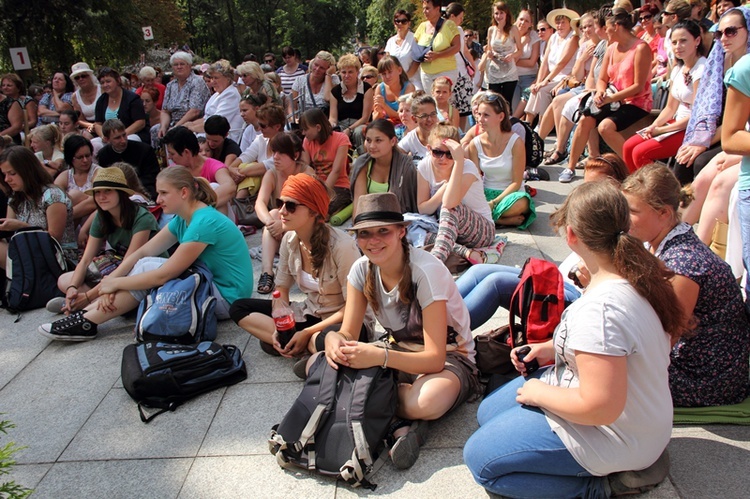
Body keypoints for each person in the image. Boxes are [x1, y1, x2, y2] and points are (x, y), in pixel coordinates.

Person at [463, 180, 687, 498]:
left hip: (618, 434)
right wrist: (550, 349)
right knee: (488, 415)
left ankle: (602, 486)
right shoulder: (635, 276)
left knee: (481, 462)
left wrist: (540, 391)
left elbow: (599, 407)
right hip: (635, 419)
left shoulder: (601, 308)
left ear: (571, 236)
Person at [324, 192, 480, 470]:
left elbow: (434, 357)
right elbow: (349, 330)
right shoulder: (361, 270)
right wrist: (333, 338)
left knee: (426, 402)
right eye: (364, 234)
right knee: (321, 362)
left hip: (451, 359)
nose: (373, 241)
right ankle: (401, 424)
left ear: (401, 232)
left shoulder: (425, 271)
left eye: (383, 231)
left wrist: (377, 358)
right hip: (398, 348)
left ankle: (386, 411)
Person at [39, 167, 254, 341]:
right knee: (145, 263)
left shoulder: (203, 221)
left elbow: (164, 274)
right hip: (212, 288)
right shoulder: (183, 218)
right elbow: (142, 251)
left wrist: (116, 284)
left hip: (228, 299)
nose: (158, 199)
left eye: (163, 193)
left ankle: (86, 320)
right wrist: (110, 282)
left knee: (149, 268)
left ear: (184, 192)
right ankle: (86, 316)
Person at [623, 164, 750, 406]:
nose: (624, 219)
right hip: (702, 362)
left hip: (708, 377)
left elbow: (666, 337)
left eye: (632, 211)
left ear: (664, 213)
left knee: (604, 368)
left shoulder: (684, 264)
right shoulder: (667, 242)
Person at [456, 153, 628, 330]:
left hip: (577, 299)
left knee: (496, 282)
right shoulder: (599, 212)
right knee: (479, 270)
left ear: (617, 186)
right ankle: (432, 314)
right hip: (562, 281)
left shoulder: (620, 224)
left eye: (595, 186)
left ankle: (443, 333)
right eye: (586, 184)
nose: (589, 191)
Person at [231, 173, 366, 373]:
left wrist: (307, 332)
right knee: (238, 307)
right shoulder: (289, 240)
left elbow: (354, 308)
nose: (282, 211)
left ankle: (305, 345)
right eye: (280, 203)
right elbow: (281, 288)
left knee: (328, 339)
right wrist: (281, 323)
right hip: (310, 312)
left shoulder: (342, 246)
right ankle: (300, 346)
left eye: (291, 206)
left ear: (313, 211)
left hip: (344, 322)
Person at [47, 167, 162, 314]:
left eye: (108, 191)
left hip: (141, 270)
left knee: (120, 283)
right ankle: (89, 302)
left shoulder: (142, 217)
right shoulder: (102, 217)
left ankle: (88, 305)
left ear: (121, 193)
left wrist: (90, 295)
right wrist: (72, 289)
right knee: (65, 280)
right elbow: (86, 259)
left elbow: (129, 263)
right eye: (97, 192)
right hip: (117, 266)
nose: (101, 197)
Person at [563, 8, 653, 183]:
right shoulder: (610, 48)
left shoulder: (641, 48)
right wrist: (601, 91)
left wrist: (612, 97)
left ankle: (634, 167)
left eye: (607, 28)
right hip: (612, 99)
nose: (603, 32)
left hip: (636, 102)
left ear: (617, 26)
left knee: (605, 126)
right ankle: (570, 167)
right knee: (585, 118)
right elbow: (602, 78)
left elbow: (638, 86)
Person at [674, 7, 750, 185]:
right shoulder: (718, 62)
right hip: (719, 129)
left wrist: (703, 142)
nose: (723, 38)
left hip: (739, 132)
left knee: (700, 162)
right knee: (682, 161)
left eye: (731, 31)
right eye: (719, 33)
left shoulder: (745, 68)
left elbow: (738, 121)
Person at [622, 20, 706, 172]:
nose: (677, 46)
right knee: (628, 147)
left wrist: (661, 130)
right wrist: (654, 126)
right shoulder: (678, 69)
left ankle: (658, 190)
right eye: (674, 42)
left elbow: (696, 115)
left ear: (697, 41)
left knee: (640, 153)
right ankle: (638, 190)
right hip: (675, 123)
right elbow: (670, 107)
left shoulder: (701, 68)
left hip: (692, 129)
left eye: (683, 41)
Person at [417, 123, 495, 265]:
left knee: (452, 208)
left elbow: (450, 203)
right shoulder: (424, 166)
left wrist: (459, 161)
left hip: (483, 231)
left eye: (450, 154)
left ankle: (436, 261)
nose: (443, 159)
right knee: (418, 233)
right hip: (450, 230)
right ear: (429, 149)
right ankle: (465, 252)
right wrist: (443, 189)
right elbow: (423, 208)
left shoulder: (467, 167)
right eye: (438, 152)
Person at [254, 133, 315, 294]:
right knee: (273, 213)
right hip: (280, 231)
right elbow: (260, 202)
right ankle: (267, 272)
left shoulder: (306, 174)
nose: (275, 157)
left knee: (278, 214)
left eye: (281, 153)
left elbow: (312, 212)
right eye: (274, 152)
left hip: (303, 229)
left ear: (294, 155)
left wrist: (283, 225)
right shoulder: (272, 174)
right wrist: (270, 222)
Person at [467, 92, 535, 228]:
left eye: (486, 115)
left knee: (522, 203)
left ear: (501, 117)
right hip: (485, 192)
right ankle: (499, 220)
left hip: (510, 195)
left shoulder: (515, 142)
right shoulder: (475, 144)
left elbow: (516, 183)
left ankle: (481, 218)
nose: (480, 119)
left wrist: (493, 203)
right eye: (478, 114)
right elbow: (475, 180)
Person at [0, 146, 76, 267]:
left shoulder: (52, 195)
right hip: (28, 251)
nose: (7, 179)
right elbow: (10, 230)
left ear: (27, 171)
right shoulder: (16, 197)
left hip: (58, 256)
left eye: (12, 174)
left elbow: (54, 238)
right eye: (4, 174)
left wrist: (23, 226)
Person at [351, 119, 418, 219]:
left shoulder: (406, 166)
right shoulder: (362, 163)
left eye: (378, 140)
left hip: (399, 220)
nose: (372, 146)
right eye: (368, 140)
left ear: (393, 141)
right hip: (368, 219)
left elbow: (408, 204)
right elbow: (359, 203)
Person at [523, 8, 579, 125]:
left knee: (542, 91)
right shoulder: (553, 38)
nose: (560, 25)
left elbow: (562, 63)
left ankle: (541, 125)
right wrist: (539, 81)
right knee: (535, 90)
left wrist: (546, 81)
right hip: (552, 78)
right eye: (558, 23)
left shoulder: (573, 38)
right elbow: (545, 62)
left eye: (563, 22)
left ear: (570, 23)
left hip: (566, 77)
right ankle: (528, 124)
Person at [162, 126, 236, 214]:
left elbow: (230, 186)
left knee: (213, 187)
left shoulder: (214, 165)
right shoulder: (173, 171)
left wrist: (197, 207)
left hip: (211, 216)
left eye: (172, 153)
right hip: (185, 217)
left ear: (186, 152)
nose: (169, 157)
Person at [299, 108, 352, 215]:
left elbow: (336, 170)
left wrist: (322, 193)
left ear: (318, 127)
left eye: (306, 129)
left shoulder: (341, 139)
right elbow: (305, 166)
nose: (303, 133)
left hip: (338, 186)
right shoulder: (307, 141)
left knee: (322, 210)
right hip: (317, 185)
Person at [230, 104, 286, 197]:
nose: (259, 128)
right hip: (261, 189)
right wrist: (231, 168)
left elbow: (266, 166)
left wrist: (237, 173)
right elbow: (245, 156)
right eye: (259, 124)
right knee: (249, 167)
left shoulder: (286, 143)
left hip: (277, 188)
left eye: (263, 126)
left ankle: (238, 203)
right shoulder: (260, 139)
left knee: (253, 169)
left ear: (277, 126)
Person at [155, 51, 211, 142]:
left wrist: (176, 127)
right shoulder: (170, 85)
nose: (179, 67)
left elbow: (195, 111)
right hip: (172, 122)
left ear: (189, 66)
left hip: (192, 123)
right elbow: (165, 111)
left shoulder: (197, 82)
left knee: (178, 134)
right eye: (176, 65)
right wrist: (164, 126)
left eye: (182, 64)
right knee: (156, 130)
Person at [96, 119, 160, 199]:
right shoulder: (103, 155)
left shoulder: (144, 150)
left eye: (124, 135)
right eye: (117, 138)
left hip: (143, 189)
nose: (123, 140)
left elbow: (152, 176)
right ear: (106, 139)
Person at [185, 60, 243, 143]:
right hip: (208, 134)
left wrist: (190, 128)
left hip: (223, 139)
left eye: (216, 78)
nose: (212, 82)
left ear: (227, 78)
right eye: (211, 78)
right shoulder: (217, 94)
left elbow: (215, 125)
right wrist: (189, 124)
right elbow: (206, 118)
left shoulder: (231, 95)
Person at [329, 54, 374, 155]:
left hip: (360, 124)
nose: (346, 75)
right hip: (342, 124)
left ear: (357, 72)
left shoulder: (366, 89)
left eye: (350, 72)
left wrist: (349, 129)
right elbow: (333, 118)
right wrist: (331, 127)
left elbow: (365, 117)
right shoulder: (335, 91)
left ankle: (364, 158)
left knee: (358, 132)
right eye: (343, 72)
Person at [478, 2, 522, 106]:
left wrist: (512, 55)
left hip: (509, 71)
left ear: (506, 13)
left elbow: (520, 50)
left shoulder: (513, 29)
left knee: (507, 103)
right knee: (494, 103)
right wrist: (489, 53)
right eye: (496, 13)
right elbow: (489, 49)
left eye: (501, 13)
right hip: (494, 71)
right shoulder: (491, 30)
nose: (499, 16)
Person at [413, 0, 461, 92]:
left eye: (427, 8)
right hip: (426, 73)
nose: (424, 11)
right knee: (431, 103)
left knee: (442, 102)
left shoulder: (449, 25)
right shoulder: (422, 26)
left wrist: (438, 55)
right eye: (423, 9)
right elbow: (414, 47)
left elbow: (457, 47)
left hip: (445, 72)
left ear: (437, 9)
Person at [93, 68, 148, 145]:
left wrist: (120, 136)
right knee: (94, 143)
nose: (105, 85)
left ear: (118, 80)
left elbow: (140, 122)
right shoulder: (101, 100)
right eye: (102, 83)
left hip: (130, 134)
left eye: (108, 81)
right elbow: (98, 124)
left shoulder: (132, 98)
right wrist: (104, 137)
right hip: (109, 138)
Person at [54, 135, 99, 223]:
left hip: (92, 221)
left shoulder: (98, 173)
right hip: (71, 222)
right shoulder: (65, 176)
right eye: (80, 157)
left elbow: (95, 201)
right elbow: (54, 200)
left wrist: (63, 217)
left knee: (76, 195)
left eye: (88, 155)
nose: (85, 160)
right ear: (70, 158)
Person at [511, 9, 541, 116]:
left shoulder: (534, 36)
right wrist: (522, 44)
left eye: (527, 21)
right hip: (512, 77)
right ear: (516, 20)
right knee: (514, 109)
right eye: (521, 19)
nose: (523, 23)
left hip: (529, 77)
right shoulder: (509, 34)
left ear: (531, 24)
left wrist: (514, 60)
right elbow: (509, 60)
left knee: (525, 105)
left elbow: (532, 62)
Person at [372, 56, 415, 127]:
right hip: (386, 126)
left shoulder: (409, 87)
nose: (387, 76)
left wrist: (384, 106)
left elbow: (405, 116)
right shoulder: (379, 88)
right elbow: (376, 119)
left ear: (399, 70)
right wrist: (379, 113)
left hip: (405, 125)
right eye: (383, 74)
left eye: (390, 72)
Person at [385, 9, 422, 90]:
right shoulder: (390, 41)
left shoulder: (415, 39)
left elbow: (416, 62)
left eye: (404, 21)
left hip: (413, 81)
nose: (400, 24)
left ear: (409, 23)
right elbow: (387, 62)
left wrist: (404, 79)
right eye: (397, 21)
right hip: (394, 82)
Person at [398, 92, 439, 166]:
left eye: (433, 114)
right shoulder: (411, 137)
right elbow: (396, 155)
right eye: (424, 116)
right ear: (414, 118)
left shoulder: (445, 134)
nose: (429, 119)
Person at [292, 51, 335, 116]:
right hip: (303, 121)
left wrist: (328, 75)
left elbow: (328, 98)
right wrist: (294, 119)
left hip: (324, 122)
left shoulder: (333, 80)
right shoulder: (299, 80)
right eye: (316, 65)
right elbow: (292, 106)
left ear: (328, 69)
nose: (317, 69)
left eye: (322, 68)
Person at [69, 63, 101, 138]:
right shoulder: (75, 97)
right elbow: (80, 119)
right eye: (77, 77)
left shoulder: (102, 90)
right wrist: (92, 126)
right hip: (89, 127)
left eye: (83, 76)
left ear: (90, 76)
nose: (81, 79)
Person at [1, 73, 38, 137]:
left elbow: (33, 121)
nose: (5, 88)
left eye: (9, 85)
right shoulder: (3, 102)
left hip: (23, 131)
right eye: (3, 85)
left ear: (18, 88)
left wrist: (21, 127)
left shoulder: (27, 100)